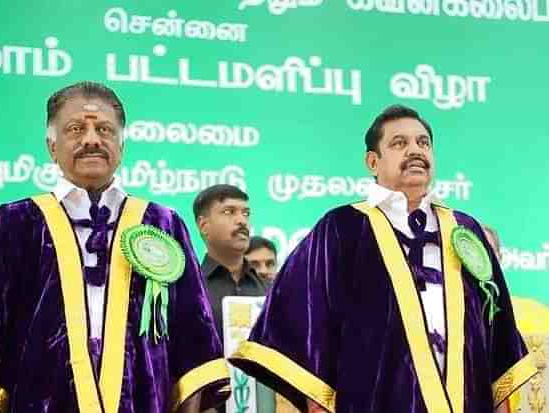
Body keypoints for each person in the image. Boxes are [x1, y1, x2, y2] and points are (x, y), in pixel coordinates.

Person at [0, 82, 229, 413]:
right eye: (75, 129)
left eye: (104, 129)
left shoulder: (162, 224)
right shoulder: (13, 223)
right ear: (51, 146)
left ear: (121, 144)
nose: (91, 139)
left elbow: (194, 340)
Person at [229, 105, 536, 413]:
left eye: (423, 142)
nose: (415, 150)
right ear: (372, 161)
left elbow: (497, 335)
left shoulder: (465, 229)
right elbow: (305, 328)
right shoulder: (341, 228)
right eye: (399, 143)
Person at [193, 185, 268, 346]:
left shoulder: (271, 291)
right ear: (203, 225)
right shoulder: (190, 290)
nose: (242, 220)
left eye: (246, 213)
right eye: (229, 212)